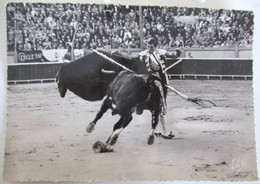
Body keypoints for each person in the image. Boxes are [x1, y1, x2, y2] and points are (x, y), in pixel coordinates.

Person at [138, 37, 181, 138]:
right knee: (161, 104)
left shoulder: (161, 52)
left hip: (162, 80)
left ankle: (156, 129)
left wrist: (178, 51)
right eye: (148, 46)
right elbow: (133, 59)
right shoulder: (144, 54)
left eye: (151, 47)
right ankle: (165, 132)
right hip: (155, 81)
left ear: (156, 46)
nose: (149, 48)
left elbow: (174, 55)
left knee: (157, 104)